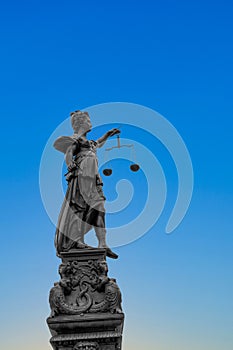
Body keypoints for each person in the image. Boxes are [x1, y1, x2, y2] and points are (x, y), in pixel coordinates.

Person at [53, 110, 120, 259]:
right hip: (82, 176)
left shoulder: (89, 143)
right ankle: (77, 241)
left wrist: (108, 134)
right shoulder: (77, 139)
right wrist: (70, 164)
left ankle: (103, 243)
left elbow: (99, 143)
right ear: (82, 123)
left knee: (100, 207)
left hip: (94, 179)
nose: (91, 124)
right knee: (79, 208)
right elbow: (69, 152)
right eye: (89, 121)